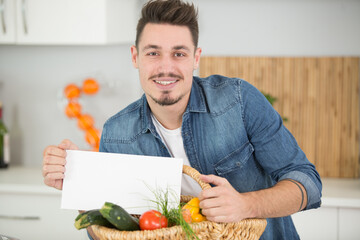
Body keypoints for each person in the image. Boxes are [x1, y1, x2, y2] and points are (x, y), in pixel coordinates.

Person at [42, 0, 322, 239]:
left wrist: (247, 204)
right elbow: (116, 231)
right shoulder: (117, 132)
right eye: (153, 53)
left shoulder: (239, 101)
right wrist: (80, 189)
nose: (166, 67)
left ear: (196, 58)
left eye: (179, 53)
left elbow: (307, 183)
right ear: (135, 57)